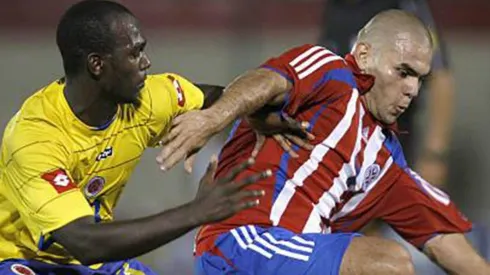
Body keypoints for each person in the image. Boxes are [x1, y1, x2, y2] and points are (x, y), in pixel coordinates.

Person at [172, 10, 489, 274]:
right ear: (364, 55)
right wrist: (211, 118)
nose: (413, 90)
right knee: (389, 263)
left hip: (287, 258)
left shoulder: (386, 160)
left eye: (420, 79)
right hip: (241, 242)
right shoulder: (331, 74)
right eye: (403, 71)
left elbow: (443, 240)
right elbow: (267, 80)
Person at [0, 1, 280, 274]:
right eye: (134, 53)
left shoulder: (146, 99)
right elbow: (84, 240)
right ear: (97, 65)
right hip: (23, 260)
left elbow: (214, 96)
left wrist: (218, 119)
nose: (147, 62)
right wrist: (198, 212)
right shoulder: (33, 138)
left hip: (94, 264)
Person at [319, 0, 454, 186]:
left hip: (390, 149)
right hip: (340, 152)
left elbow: (440, 77)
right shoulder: (335, 8)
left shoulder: (402, 5)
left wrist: (434, 153)